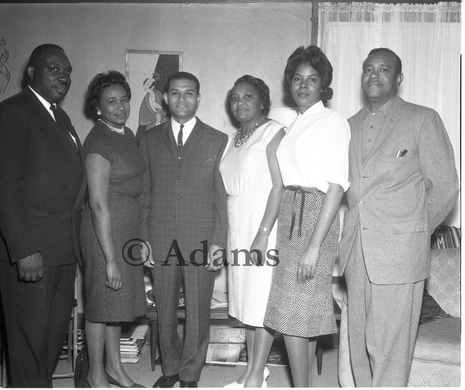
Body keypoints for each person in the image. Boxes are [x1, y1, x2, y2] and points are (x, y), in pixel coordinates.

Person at [338, 47, 458, 387]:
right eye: (367, 69)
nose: (374, 75)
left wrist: (414, 232)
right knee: (358, 343)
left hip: (400, 252)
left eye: (383, 69)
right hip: (356, 251)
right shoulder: (347, 126)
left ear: (399, 78)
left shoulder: (422, 119)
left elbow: (446, 186)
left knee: (390, 345)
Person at [0, 43, 86, 387]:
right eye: (54, 69)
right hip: (29, 249)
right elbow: (3, 188)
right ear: (31, 72)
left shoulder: (61, 116)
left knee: (52, 338)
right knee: (27, 341)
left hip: (62, 248)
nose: (63, 76)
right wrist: (24, 249)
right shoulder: (10, 113)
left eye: (67, 71)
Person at [263, 45, 350, 387]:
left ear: (323, 84)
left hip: (315, 216)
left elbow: (337, 185)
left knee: (294, 314)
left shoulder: (332, 121)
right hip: (291, 215)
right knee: (300, 313)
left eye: (312, 79)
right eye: (297, 78)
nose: (303, 85)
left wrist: (315, 245)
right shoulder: (296, 123)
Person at [139, 71, 228, 388]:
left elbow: (221, 198)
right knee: (164, 307)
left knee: (198, 310)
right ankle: (171, 369)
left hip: (200, 238)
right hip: (160, 237)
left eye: (189, 93)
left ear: (199, 98)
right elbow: (144, 194)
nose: (181, 99)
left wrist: (218, 242)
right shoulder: (148, 139)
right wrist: (144, 239)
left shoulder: (218, 140)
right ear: (164, 98)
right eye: (174, 93)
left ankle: (190, 373)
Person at [80, 71, 147, 388]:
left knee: (114, 304)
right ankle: (96, 376)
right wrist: (109, 258)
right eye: (111, 101)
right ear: (98, 108)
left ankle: (116, 370)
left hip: (127, 226)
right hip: (102, 231)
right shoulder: (98, 141)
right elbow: (96, 203)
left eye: (124, 100)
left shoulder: (126, 132)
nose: (120, 107)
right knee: (99, 305)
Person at [219, 75, 285, 388]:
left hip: (262, 224)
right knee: (246, 302)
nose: (240, 103)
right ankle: (250, 370)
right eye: (235, 97)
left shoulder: (273, 132)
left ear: (262, 102)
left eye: (248, 97)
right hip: (237, 222)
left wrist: (263, 232)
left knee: (261, 302)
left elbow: (278, 186)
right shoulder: (234, 139)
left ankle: (257, 377)